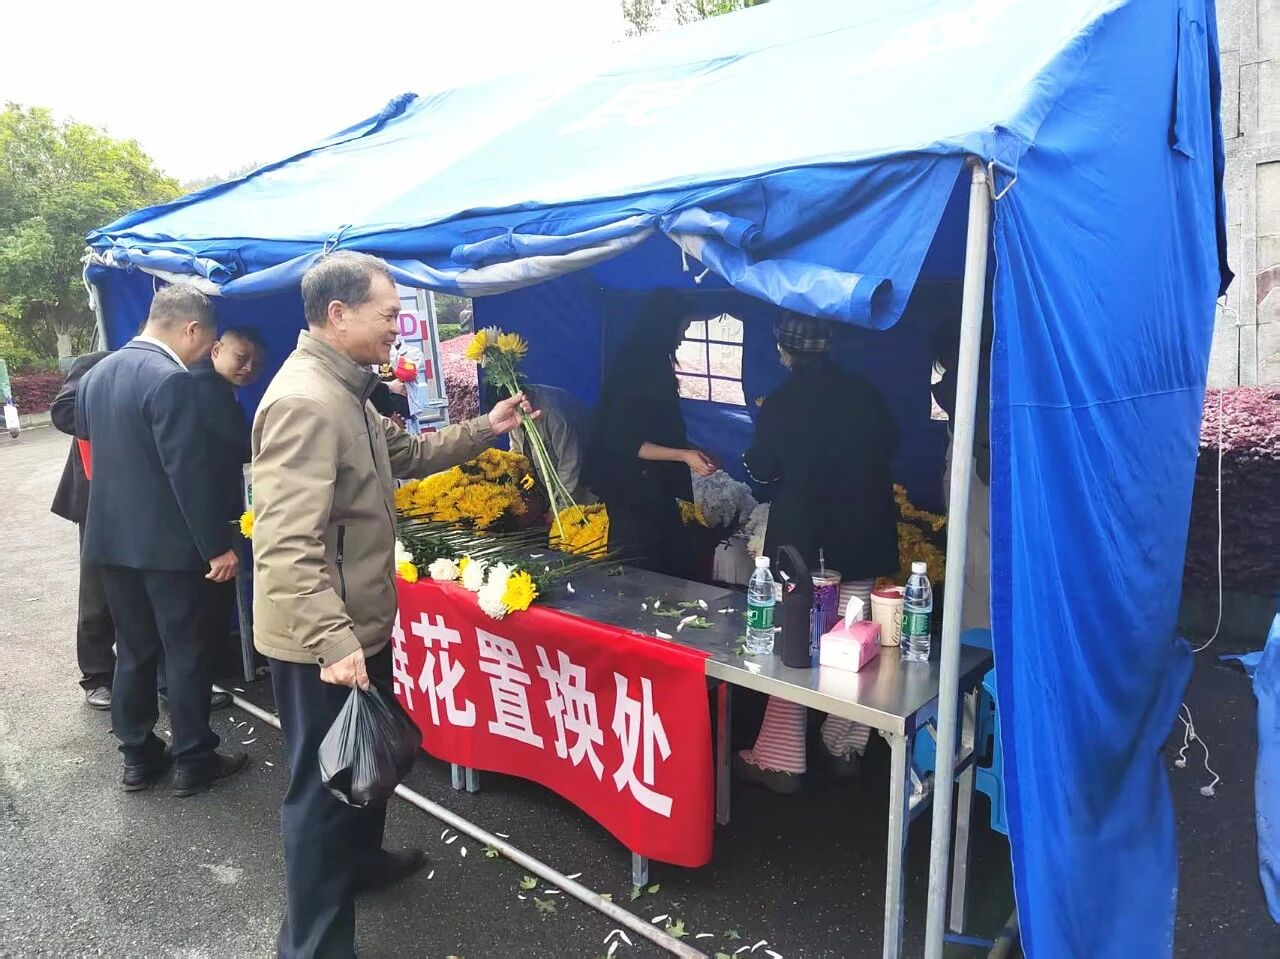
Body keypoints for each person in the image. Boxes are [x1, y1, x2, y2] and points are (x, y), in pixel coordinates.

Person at [251, 252, 536, 959]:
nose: (397, 329)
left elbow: (408, 455)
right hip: (322, 638)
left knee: (366, 759)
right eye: (387, 315)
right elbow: (285, 544)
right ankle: (313, 946)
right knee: (323, 791)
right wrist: (332, 640)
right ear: (338, 314)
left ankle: (364, 863)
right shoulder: (305, 402)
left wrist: (488, 425)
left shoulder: (350, 390)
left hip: (358, 622)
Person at [75, 285, 247, 796]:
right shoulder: (171, 380)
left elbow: (96, 458)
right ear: (192, 329)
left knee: (133, 650)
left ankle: (138, 756)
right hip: (169, 549)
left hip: (111, 542)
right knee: (186, 651)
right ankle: (194, 758)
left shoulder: (97, 374)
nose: (205, 353)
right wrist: (216, 546)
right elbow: (186, 474)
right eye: (208, 342)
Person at [734, 312, 900, 793]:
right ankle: (844, 743)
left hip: (804, 545)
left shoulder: (780, 402)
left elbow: (765, 469)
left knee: (797, 648)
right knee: (855, 641)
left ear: (784, 351)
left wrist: (755, 461)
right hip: (863, 537)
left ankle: (782, 759)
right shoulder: (866, 395)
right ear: (828, 346)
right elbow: (891, 446)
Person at [584, 290, 715, 578]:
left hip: (652, 488)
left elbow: (656, 429)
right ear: (665, 324)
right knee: (638, 568)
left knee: (671, 560)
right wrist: (683, 455)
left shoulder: (652, 362)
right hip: (631, 489)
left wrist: (691, 450)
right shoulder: (637, 368)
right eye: (683, 327)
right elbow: (626, 441)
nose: (683, 336)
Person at [184, 326, 267, 703]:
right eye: (241, 358)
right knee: (205, 598)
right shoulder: (206, 388)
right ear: (216, 349)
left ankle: (209, 670)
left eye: (255, 364)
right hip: (207, 511)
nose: (248, 368)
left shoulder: (212, 385)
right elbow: (243, 443)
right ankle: (197, 681)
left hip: (214, 508)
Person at [50, 350, 114, 709]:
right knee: (97, 591)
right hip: (96, 496)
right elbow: (62, 412)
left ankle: (155, 673)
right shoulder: (97, 363)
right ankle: (98, 676)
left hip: (146, 497)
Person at [509, 383, 595, 503]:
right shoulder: (512, 414)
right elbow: (517, 451)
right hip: (551, 494)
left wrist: (560, 507)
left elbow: (570, 464)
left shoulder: (553, 412)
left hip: (585, 493)